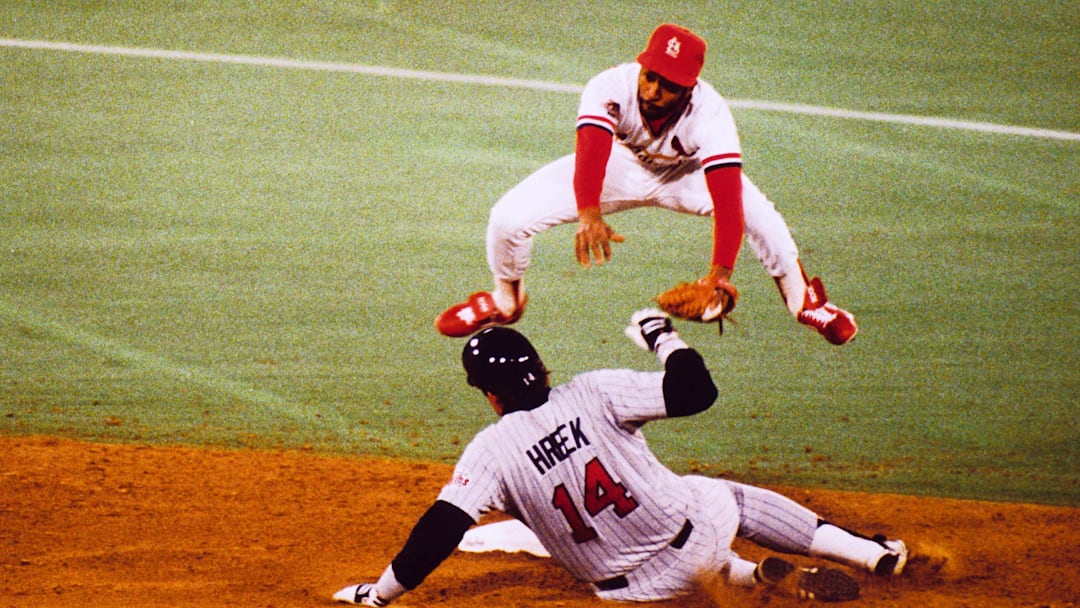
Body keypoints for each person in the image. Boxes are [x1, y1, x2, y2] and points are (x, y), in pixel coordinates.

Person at [333, 310, 907, 605]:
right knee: (721, 495)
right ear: (544, 370)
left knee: (682, 543)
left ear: (489, 394)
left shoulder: (490, 452)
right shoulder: (594, 391)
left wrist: (379, 594)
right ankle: (872, 554)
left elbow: (439, 531)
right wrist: (663, 336)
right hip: (694, 536)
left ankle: (754, 576)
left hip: (632, 594)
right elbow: (695, 393)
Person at [435, 23, 858, 346]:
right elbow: (592, 151)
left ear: (689, 88)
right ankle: (506, 302)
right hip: (620, 165)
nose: (654, 90)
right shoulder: (609, 85)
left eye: (669, 84)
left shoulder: (711, 115)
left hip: (687, 173)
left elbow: (728, 201)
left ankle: (805, 302)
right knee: (506, 217)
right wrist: (589, 213)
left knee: (762, 218)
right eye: (650, 75)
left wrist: (719, 275)